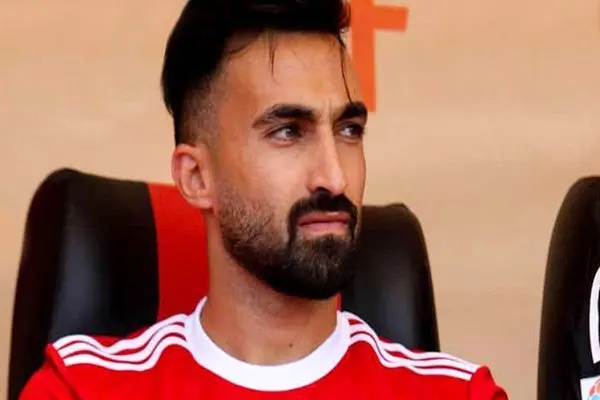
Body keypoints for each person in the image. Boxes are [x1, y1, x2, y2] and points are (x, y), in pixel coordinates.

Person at [20, 0, 509, 398]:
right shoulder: (80, 390)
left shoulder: (459, 394)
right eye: (288, 132)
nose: (334, 177)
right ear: (196, 177)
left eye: (349, 130)